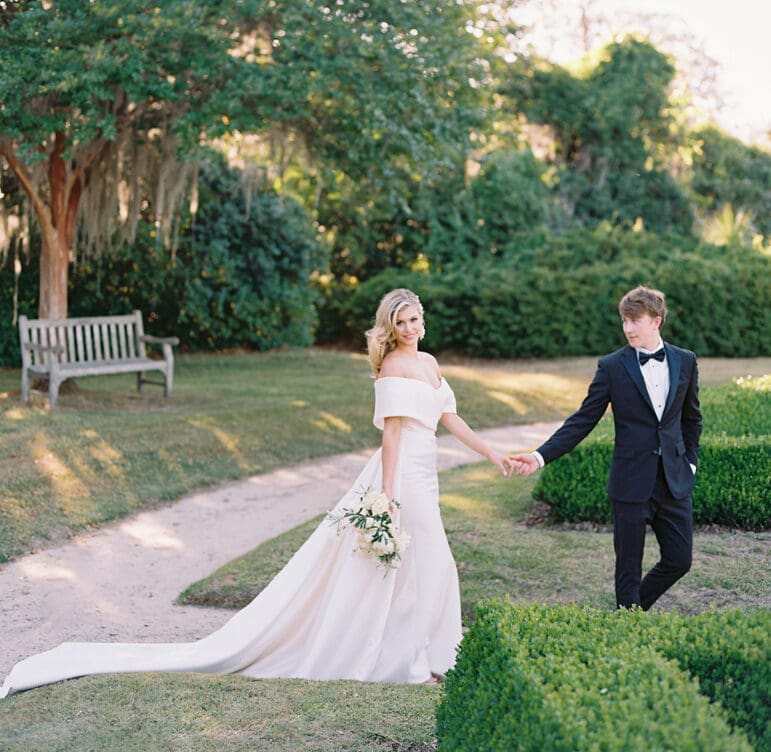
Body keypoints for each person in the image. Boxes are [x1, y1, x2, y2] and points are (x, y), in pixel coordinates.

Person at [1, 288, 510, 697]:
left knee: (430, 564)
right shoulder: (394, 369)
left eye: (414, 320)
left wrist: (493, 454)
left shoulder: (431, 363)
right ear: (390, 328)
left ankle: (436, 653)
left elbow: (450, 417)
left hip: (430, 469)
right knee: (425, 562)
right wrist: (389, 497)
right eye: (400, 323)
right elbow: (392, 435)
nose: (410, 329)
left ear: (423, 319)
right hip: (405, 477)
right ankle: (411, 661)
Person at [507, 285, 702, 610]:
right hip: (629, 482)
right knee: (627, 569)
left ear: (656, 320)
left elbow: (692, 420)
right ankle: (626, 626)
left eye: (634, 320)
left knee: (680, 559)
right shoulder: (612, 367)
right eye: (624, 320)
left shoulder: (685, 361)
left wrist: (690, 464)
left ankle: (633, 609)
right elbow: (583, 420)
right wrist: (540, 456)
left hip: (673, 480)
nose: (627, 328)